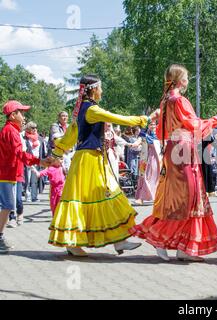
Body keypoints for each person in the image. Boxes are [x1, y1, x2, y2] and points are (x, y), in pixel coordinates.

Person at [129, 64, 217, 262]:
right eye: (185, 77)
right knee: (187, 199)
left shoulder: (166, 101)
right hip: (183, 151)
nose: (187, 80)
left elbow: (161, 132)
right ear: (177, 79)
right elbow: (195, 126)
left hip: (174, 149)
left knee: (186, 200)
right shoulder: (179, 101)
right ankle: (160, 238)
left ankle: (184, 248)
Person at [48, 74, 151, 257]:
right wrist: (141, 119)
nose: (102, 91)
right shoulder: (91, 110)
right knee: (93, 198)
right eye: (100, 88)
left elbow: (71, 135)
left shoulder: (83, 110)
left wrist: (57, 152)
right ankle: (73, 242)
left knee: (109, 195)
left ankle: (120, 240)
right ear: (94, 89)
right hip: (88, 161)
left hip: (92, 159)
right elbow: (117, 118)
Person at [0, 100, 51, 254]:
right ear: (13, 115)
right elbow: (19, 154)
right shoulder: (11, 131)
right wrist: (39, 161)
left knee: (8, 206)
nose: (24, 116)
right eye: (21, 113)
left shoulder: (11, 130)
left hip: (9, 174)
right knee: (7, 206)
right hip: (6, 174)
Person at [134, 121, 161, 205]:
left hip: (155, 157)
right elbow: (139, 139)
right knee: (142, 176)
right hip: (145, 158)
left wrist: (145, 136)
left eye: (153, 124)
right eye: (150, 124)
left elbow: (155, 142)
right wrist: (134, 144)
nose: (152, 126)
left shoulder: (158, 134)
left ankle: (145, 197)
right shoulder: (145, 134)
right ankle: (140, 197)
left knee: (150, 176)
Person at [23, 121, 47, 202]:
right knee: (27, 179)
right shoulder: (25, 138)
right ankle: (27, 195)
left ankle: (34, 196)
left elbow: (43, 151)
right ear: (28, 129)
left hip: (37, 161)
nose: (35, 129)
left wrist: (43, 161)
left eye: (36, 127)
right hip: (27, 161)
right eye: (32, 127)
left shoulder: (40, 138)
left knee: (35, 180)